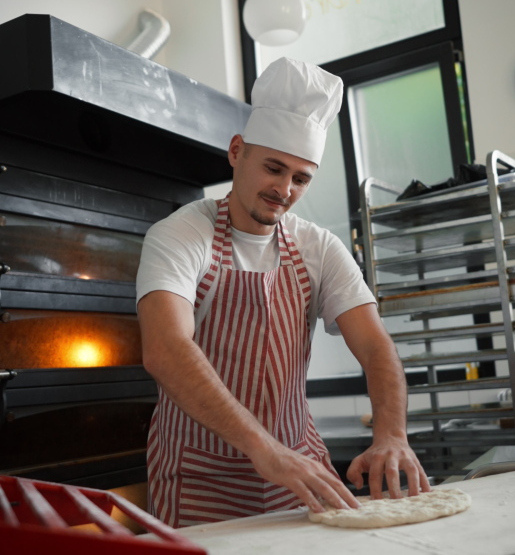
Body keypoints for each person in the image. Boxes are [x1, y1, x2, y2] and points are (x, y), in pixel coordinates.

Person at [136, 57, 429, 529]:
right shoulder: (181, 235)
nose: (285, 189)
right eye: (274, 168)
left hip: (299, 468)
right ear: (236, 151)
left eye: (301, 178)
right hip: (199, 477)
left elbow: (376, 346)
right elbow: (166, 349)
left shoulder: (318, 247)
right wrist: (262, 448)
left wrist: (392, 434)